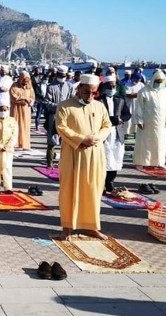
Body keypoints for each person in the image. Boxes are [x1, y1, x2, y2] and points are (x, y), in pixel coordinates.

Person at [56, 74, 112, 240]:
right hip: (73, 154)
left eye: (94, 93)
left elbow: (107, 125)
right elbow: (61, 127)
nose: (90, 96)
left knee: (92, 189)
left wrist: (97, 138)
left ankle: (91, 226)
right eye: (87, 92)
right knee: (70, 189)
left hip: (95, 155)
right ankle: (67, 227)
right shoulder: (65, 106)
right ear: (79, 89)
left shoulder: (99, 106)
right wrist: (81, 139)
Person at [133, 70, 166, 168]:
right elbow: (138, 107)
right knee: (145, 142)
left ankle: (159, 162)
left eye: (160, 82)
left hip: (161, 124)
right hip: (147, 123)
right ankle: (142, 162)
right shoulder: (144, 91)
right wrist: (139, 120)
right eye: (157, 81)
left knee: (160, 143)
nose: (159, 84)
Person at [99, 75, 132, 193]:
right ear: (105, 87)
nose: (112, 88)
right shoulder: (98, 100)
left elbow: (127, 114)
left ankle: (110, 183)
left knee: (116, 159)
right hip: (104, 134)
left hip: (118, 134)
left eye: (114, 86)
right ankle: (100, 184)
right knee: (104, 160)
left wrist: (121, 119)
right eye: (110, 86)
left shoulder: (120, 100)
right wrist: (111, 120)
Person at [42, 65, 73, 168]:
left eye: (64, 75)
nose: (62, 77)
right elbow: (47, 102)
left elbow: (73, 100)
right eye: (60, 75)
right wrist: (59, 106)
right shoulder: (51, 87)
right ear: (57, 74)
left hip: (66, 117)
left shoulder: (69, 86)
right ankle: (49, 163)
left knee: (66, 141)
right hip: (53, 116)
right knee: (52, 141)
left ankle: (64, 162)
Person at [0, 100, 18, 193]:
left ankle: (8, 187)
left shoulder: (13, 121)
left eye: (5, 110)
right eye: (0, 110)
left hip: (8, 150)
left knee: (7, 168)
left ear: (8, 110)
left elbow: (15, 135)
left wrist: (8, 146)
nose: (3, 111)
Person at [10, 71, 35, 150]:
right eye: (24, 81)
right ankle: (15, 143)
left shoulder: (29, 86)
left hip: (26, 110)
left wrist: (30, 101)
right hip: (16, 109)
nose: (25, 83)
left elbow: (32, 97)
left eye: (27, 81)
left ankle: (25, 144)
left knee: (25, 126)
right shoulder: (14, 86)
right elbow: (14, 97)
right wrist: (24, 99)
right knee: (16, 125)